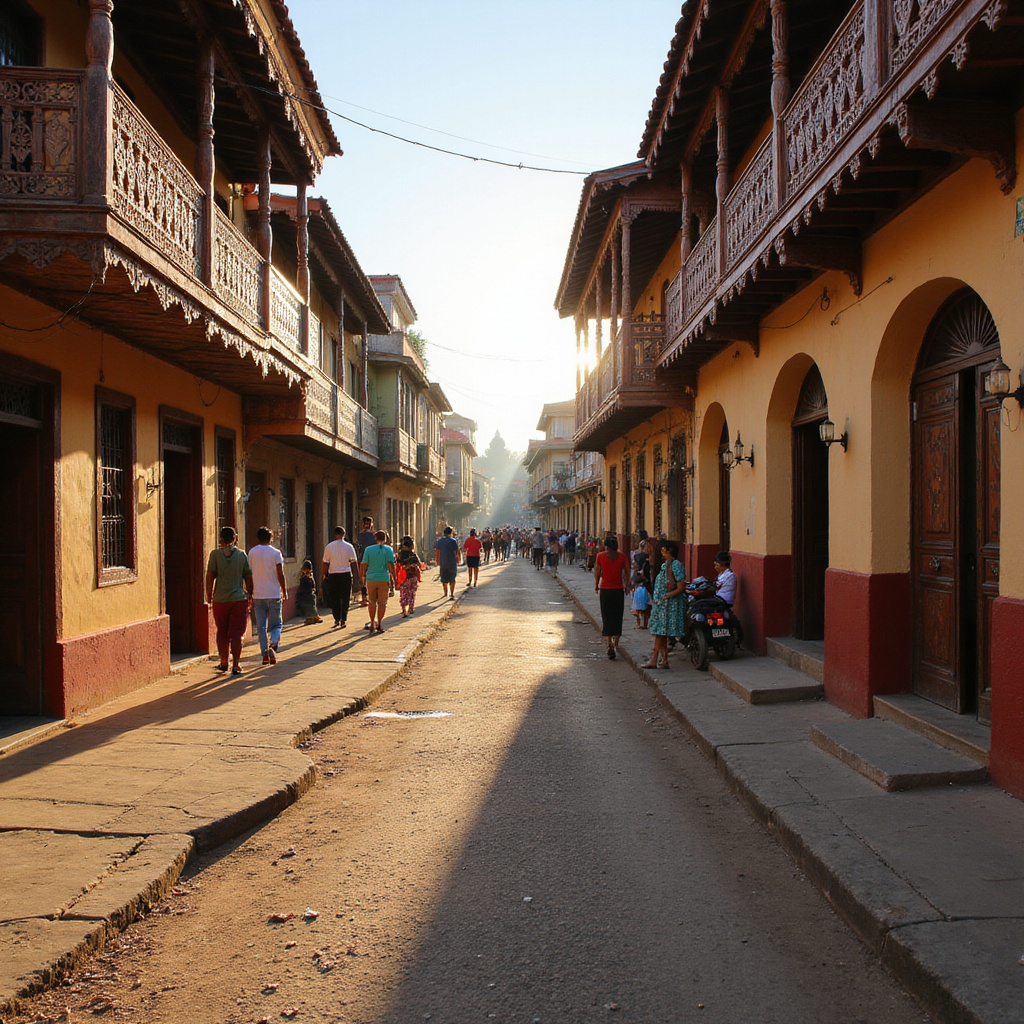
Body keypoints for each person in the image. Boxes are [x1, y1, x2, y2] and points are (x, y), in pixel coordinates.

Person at [205, 526, 253, 676]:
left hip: (220, 600)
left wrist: (208, 596)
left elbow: (210, 576)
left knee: (222, 632)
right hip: (238, 599)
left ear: (220, 539)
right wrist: (250, 594)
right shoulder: (241, 555)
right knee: (237, 634)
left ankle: (224, 662)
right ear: (235, 538)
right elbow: (248, 576)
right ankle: (236, 665)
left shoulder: (215, 555)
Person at [248, 526, 287, 666]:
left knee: (261, 626)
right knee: (276, 624)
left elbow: (249, 574)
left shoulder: (252, 553)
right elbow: (280, 573)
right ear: (271, 538)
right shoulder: (276, 553)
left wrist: (250, 592)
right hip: (274, 593)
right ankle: (273, 645)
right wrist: (284, 590)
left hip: (258, 594)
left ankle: (264, 653)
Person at [644, 539, 686, 669]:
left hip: (669, 605)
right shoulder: (665, 566)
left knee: (660, 633)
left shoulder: (676, 565)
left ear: (669, 551)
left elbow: (681, 587)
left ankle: (654, 659)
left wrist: (668, 595)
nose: (662, 552)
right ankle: (664, 659)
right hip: (662, 604)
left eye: (664, 550)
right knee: (660, 632)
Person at [594, 535, 630, 660]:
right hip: (618, 590)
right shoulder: (622, 556)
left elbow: (598, 572)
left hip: (605, 590)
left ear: (606, 546)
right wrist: (627, 585)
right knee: (617, 616)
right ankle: (616, 643)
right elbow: (627, 572)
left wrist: (596, 585)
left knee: (606, 616)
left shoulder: (600, 556)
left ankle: (609, 643)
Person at [321, 526, 360, 629]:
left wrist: (323, 574)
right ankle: (343, 619)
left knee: (335, 598)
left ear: (335, 535)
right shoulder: (349, 546)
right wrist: (357, 577)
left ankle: (337, 618)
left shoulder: (329, 547)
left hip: (333, 574)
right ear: (344, 534)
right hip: (346, 574)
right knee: (345, 597)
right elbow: (354, 562)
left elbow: (325, 562)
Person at [360, 530, 397, 632]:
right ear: (385, 539)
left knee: (372, 602)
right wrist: (394, 579)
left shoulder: (368, 549)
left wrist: (363, 577)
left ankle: (372, 622)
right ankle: (380, 623)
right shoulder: (389, 550)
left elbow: (364, 564)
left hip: (371, 579)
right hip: (384, 578)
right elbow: (391, 566)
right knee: (382, 603)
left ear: (375, 538)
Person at [397, 536, 422, 616]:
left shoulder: (400, 554)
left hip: (404, 576)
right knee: (411, 592)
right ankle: (411, 608)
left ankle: (404, 610)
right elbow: (419, 564)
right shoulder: (413, 554)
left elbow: (398, 564)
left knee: (404, 593)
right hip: (413, 576)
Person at [355, 516, 377, 607]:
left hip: (363, 559)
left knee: (363, 578)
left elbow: (358, 546)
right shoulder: (374, 535)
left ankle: (364, 597)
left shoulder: (360, 535)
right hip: (372, 558)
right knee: (371, 577)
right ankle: (370, 596)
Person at [435, 526, 461, 599]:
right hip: (452, 562)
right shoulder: (453, 541)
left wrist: (438, 561)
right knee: (452, 578)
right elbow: (456, 551)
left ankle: (445, 593)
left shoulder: (439, 541)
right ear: (451, 533)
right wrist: (458, 559)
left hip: (443, 562)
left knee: (444, 578)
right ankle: (451, 594)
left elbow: (437, 551)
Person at [296, 560, 322, 625]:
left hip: (309, 593)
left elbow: (312, 584)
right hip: (305, 593)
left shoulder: (309, 576)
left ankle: (315, 617)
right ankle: (312, 618)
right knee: (308, 606)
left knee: (311, 606)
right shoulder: (303, 575)